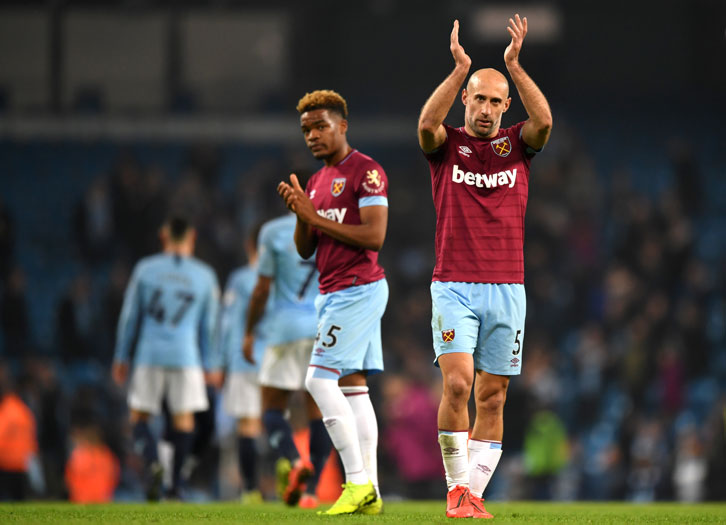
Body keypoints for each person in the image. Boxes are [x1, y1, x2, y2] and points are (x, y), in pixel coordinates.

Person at [417, 16, 553, 519]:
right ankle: (455, 488)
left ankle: (472, 496)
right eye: (480, 99)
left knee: (492, 398)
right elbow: (426, 126)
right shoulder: (446, 146)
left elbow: (545, 123)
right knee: (457, 385)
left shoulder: (518, 145)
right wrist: (460, 70)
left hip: (507, 288)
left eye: (498, 102)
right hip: (453, 284)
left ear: (505, 107)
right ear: (466, 101)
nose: (489, 109)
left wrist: (514, 66)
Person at [277, 89, 389, 515]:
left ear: (343, 125)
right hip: (333, 290)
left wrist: (316, 217)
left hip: (357, 288)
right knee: (352, 387)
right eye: (306, 129)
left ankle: (356, 481)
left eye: (321, 126)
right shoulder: (317, 181)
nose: (313, 136)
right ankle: (372, 492)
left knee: (317, 381)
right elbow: (307, 248)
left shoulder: (367, 172)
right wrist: (301, 214)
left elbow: (375, 236)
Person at [111, 216, 220, 500]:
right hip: (186, 356)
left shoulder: (145, 269)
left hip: (149, 354)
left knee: (139, 418)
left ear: (164, 236)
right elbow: (209, 327)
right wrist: (210, 364)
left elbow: (129, 316)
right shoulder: (204, 275)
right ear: (192, 236)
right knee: (184, 421)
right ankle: (174, 486)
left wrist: (122, 356)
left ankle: (153, 464)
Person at [243, 211, 332, 509]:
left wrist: (249, 330)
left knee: (271, 407)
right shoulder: (331, 226)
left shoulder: (272, 230)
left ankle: (294, 460)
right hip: (322, 328)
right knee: (318, 410)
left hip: (283, 330)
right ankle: (312, 491)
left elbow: (262, 288)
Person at [217, 225, 267, 503]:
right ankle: (293, 477)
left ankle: (250, 489)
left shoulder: (239, 280)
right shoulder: (282, 278)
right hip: (277, 361)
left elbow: (228, 325)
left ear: (249, 245)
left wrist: (220, 362)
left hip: (245, 362)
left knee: (248, 426)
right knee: (278, 423)